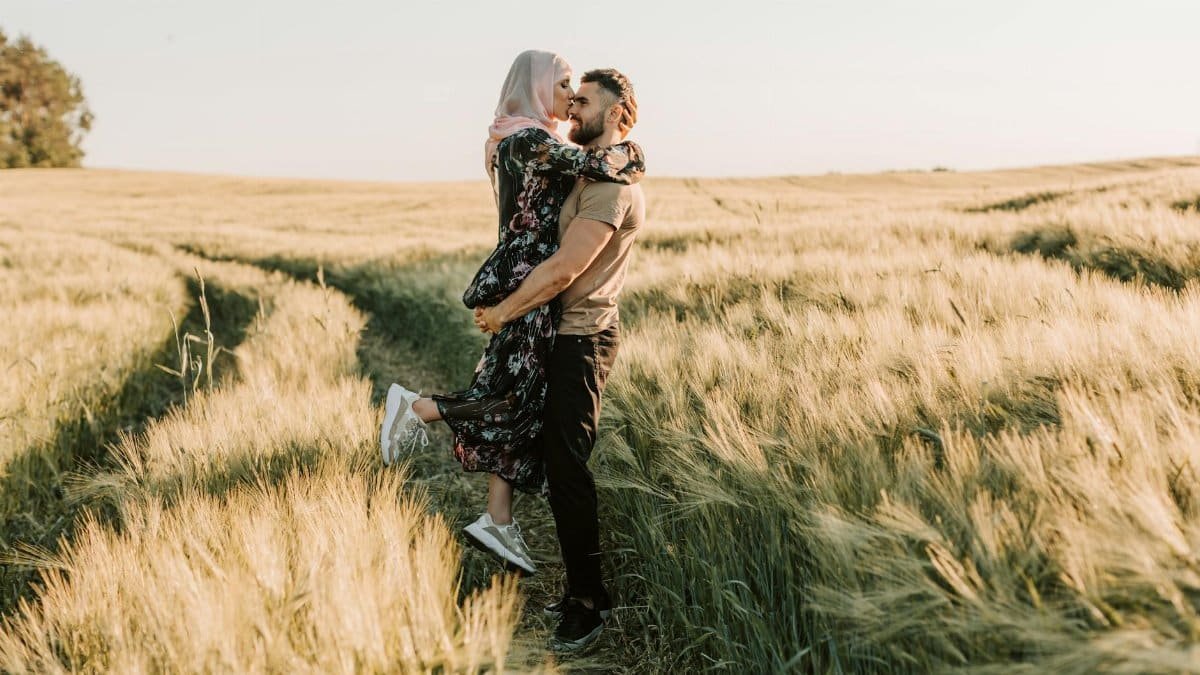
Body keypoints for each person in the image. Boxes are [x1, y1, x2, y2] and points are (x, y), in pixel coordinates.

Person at [379, 51, 645, 578]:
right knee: (514, 398)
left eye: (577, 87)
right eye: (563, 83)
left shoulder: (515, 136)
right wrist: (633, 152)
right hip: (530, 280)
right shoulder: (529, 140)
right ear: (536, 84)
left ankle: (498, 518)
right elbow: (594, 165)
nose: (569, 95)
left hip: (532, 282)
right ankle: (417, 409)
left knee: (525, 398)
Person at [474, 68, 644, 653]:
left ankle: (590, 603)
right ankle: (572, 588)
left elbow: (565, 269)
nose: (573, 106)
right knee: (551, 458)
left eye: (586, 101)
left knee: (569, 470)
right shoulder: (583, 169)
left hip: (581, 338)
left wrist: (503, 312)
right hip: (556, 333)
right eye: (571, 96)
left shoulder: (611, 185)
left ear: (620, 112)